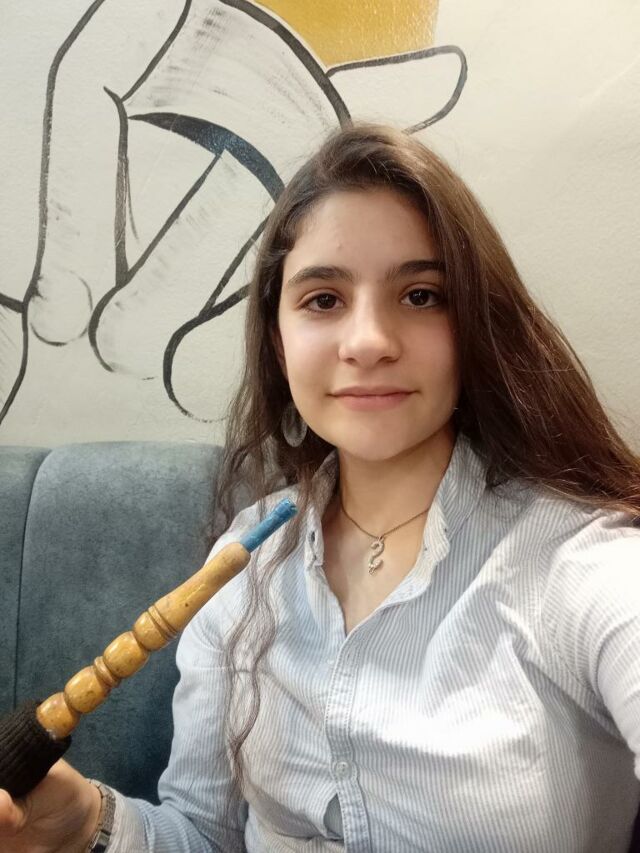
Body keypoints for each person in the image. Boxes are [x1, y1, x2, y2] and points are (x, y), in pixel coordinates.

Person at [1, 122, 640, 852]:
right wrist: (84, 824)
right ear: (278, 341)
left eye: (422, 294)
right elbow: (205, 835)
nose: (368, 341)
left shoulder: (579, 563)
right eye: (324, 299)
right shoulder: (242, 569)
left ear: (475, 326)